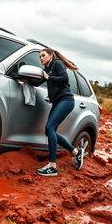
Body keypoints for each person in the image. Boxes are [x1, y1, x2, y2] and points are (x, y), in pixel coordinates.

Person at [34, 48, 84, 176]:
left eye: (43, 55)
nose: (41, 58)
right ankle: (75, 152)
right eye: (39, 56)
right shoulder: (47, 69)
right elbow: (38, 81)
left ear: (51, 56)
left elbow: (64, 78)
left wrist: (49, 77)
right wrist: (22, 79)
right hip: (57, 102)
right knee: (49, 130)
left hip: (66, 100)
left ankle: (53, 165)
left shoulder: (57, 64)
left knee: (50, 127)